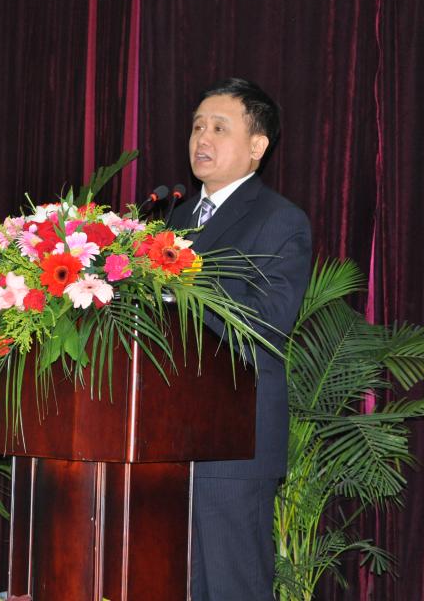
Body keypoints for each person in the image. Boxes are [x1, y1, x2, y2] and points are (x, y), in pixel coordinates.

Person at [172, 78, 312, 600]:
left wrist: (183, 289)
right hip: (168, 437)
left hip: (233, 441)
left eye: (219, 128)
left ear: (257, 145)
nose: (202, 138)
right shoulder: (175, 218)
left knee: (233, 588)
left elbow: (270, 321)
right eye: (197, 127)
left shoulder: (280, 220)